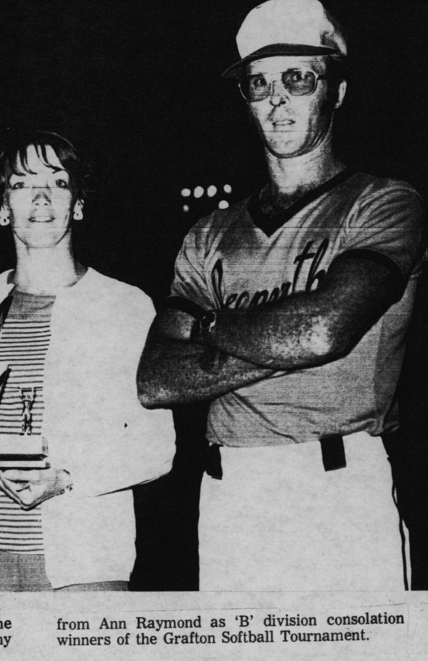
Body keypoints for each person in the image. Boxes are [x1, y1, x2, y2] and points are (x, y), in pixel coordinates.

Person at [137, 0, 426, 591]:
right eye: (259, 83)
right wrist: (292, 339)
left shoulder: (383, 203)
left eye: (297, 79)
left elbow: (323, 330)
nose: (276, 100)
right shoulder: (209, 234)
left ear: (336, 92)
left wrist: (209, 327)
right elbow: (156, 380)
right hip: (229, 493)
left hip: (337, 487)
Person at [0, 131, 176, 591]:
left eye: (58, 182)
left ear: (77, 204)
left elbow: (156, 448)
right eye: (21, 183)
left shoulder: (125, 306)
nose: (41, 196)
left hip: (83, 560)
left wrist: (65, 477)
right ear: (3, 208)